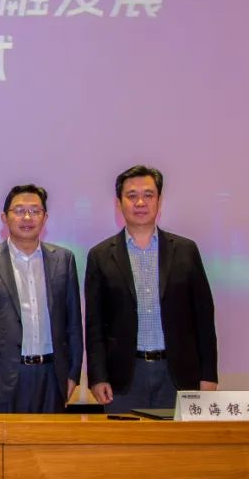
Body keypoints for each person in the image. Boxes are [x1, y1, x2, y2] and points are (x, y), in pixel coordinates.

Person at [85, 165, 217, 412]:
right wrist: (98, 377)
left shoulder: (185, 250)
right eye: (131, 196)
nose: (140, 202)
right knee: (125, 439)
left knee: (177, 439)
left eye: (148, 195)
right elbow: (95, 326)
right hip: (124, 378)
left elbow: (204, 317)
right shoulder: (100, 256)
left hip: (178, 375)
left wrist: (208, 374)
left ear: (159, 200)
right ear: (119, 203)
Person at [0, 184, 83, 413]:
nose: (27, 217)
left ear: (45, 217)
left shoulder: (64, 260)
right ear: (5, 217)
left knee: (51, 437)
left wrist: (73, 373)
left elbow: (73, 324)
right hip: (3, 375)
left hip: (52, 374)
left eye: (35, 211)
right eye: (19, 210)